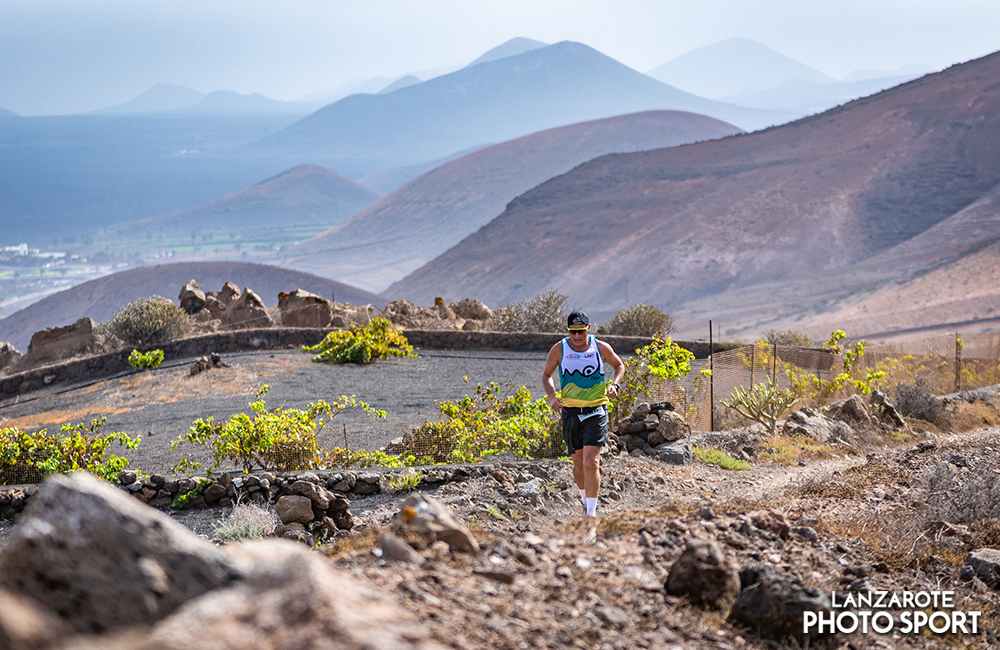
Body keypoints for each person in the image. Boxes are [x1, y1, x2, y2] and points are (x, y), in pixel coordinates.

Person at [542, 311, 624, 518]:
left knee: (591, 462)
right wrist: (552, 397)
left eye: (580, 331)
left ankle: (591, 516)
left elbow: (619, 365)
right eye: (572, 331)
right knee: (578, 465)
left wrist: (615, 385)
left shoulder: (600, 347)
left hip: (596, 410)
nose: (576, 336)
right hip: (570, 412)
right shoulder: (559, 349)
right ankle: (584, 499)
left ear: (588, 328)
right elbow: (547, 375)